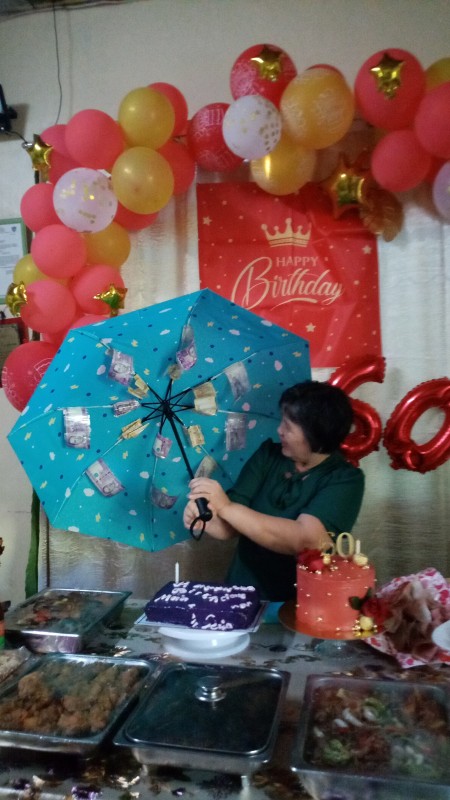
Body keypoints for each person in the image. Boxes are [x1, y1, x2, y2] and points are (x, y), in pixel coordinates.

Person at [184, 380, 365, 602]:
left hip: (304, 601)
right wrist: (207, 520)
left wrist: (226, 507)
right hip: (244, 592)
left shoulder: (345, 479)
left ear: (315, 434)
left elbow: (306, 540)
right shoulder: (268, 455)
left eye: (288, 426)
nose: (279, 430)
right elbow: (229, 528)